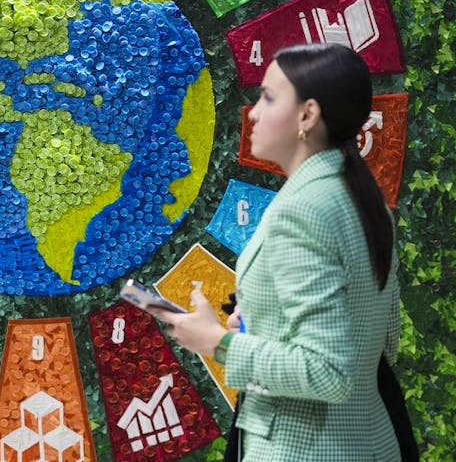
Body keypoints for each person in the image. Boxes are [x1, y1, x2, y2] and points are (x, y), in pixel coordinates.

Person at [150, 43, 402, 461]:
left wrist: (218, 343)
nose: (253, 113)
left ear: (307, 116)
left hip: (305, 450)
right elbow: (381, 343)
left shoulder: (301, 212)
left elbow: (328, 373)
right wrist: (262, 326)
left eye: (268, 97)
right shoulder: (365, 200)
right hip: (370, 442)